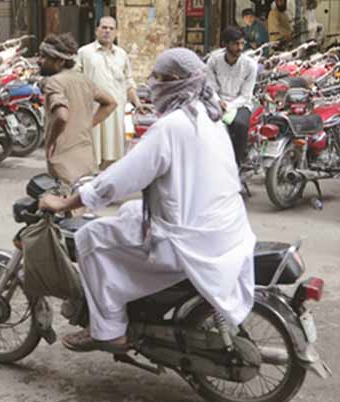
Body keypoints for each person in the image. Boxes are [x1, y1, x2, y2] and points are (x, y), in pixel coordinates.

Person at [38, 48, 256, 353]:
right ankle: (136, 306)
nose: (152, 82)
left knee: (90, 236)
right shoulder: (211, 118)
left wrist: (66, 203)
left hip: (188, 241)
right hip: (223, 232)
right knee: (130, 211)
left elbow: (119, 179)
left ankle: (109, 329)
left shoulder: (171, 127)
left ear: (175, 81)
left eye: (158, 77)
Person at [39, 33, 117, 185]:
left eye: (44, 57)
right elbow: (111, 103)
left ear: (60, 61)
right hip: (87, 159)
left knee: (64, 197)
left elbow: (61, 116)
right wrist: (88, 124)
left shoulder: (54, 82)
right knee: (84, 197)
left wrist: (50, 141)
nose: (39, 61)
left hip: (63, 160)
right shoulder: (83, 79)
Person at [77, 17, 145, 169]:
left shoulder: (122, 54)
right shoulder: (84, 52)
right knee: (93, 154)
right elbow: (75, 80)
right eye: (103, 27)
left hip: (117, 113)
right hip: (94, 111)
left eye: (111, 28)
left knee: (115, 155)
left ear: (116, 32)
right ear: (96, 30)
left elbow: (128, 82)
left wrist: (137, 103)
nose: (107, 31)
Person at [206, 26, 258, 169]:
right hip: (216, 100)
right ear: (225, 44)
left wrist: (228, 106)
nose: (240, 48)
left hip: (240, 104)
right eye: (236, 44)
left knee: (240, 125)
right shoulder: (213, 61)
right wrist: (218, 101)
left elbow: (246, 95)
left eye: (242, 43)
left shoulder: (250, 65)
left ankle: (236, 164)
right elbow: (210, 86)